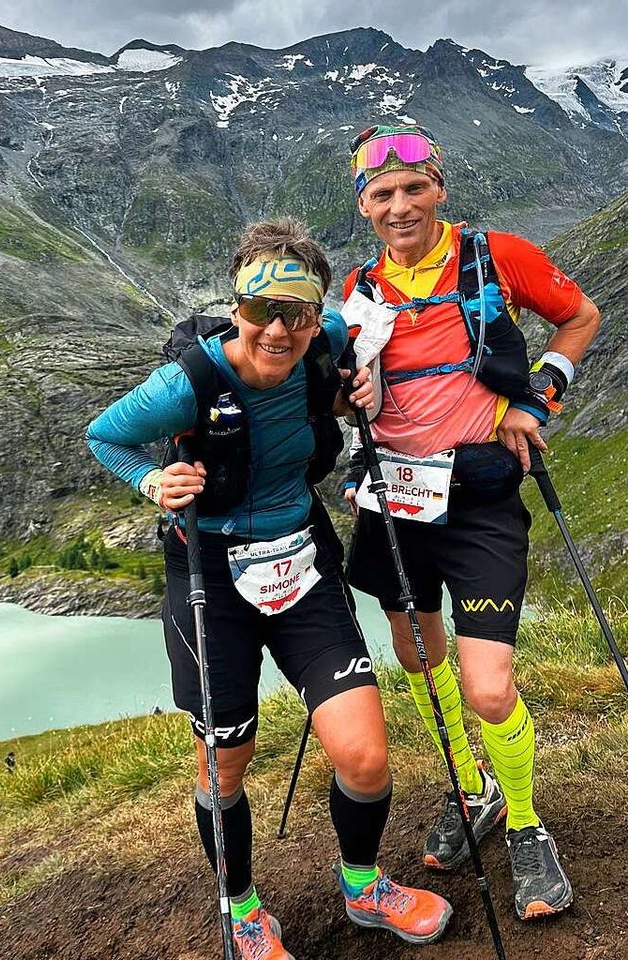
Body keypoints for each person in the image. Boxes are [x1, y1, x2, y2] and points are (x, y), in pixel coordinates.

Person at [86, 219, 452, 960]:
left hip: (303, 560)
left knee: (365, 757)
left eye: (297, 312)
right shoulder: (187, 380)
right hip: (209, 578)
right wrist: (152, 479)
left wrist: (363, 385)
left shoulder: (332, 340)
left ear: (317, 314)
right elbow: (105, 436)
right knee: (223, 765)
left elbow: (368, 320)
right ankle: (242, 910)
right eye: (260, 311)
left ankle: (363, 885)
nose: (278, 330)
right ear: (237, 308)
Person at [341, 125, 600, 921]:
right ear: (364, 206)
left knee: (489, 689)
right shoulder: (360, 288)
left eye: (413, 188)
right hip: (395, 503)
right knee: (418, 654)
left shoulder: (496, 254)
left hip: (482, 496)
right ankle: (471, 789)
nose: (399, 205)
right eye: (381, 194)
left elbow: (579, 316)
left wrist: (537, 399)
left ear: (439, 189)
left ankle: (525, 823)